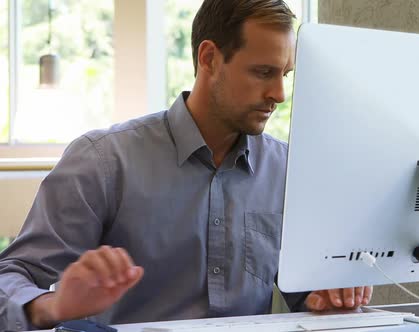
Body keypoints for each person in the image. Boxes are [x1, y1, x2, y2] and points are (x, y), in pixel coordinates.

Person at [0, 1, 372, 330]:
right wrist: (53, 305)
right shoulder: (102, 161)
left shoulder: (289, 170)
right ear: (209, 58)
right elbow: (9, 276)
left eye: (284, 74)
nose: (279, 94)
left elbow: (303, 293)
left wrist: (322, 297)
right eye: (263, 73)